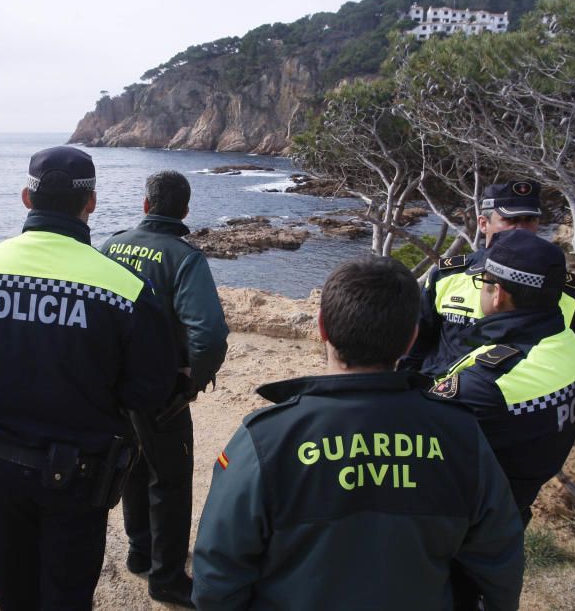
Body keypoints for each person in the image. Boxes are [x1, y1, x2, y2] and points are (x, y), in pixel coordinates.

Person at [192, 256, 524, 611]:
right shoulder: (461, 436)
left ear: (322, 328)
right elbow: (499, 560)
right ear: (412, 338)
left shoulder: (265, 441)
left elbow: (218, 574)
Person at [0, 146, 176, 610]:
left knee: (14, 591)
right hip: (80, 475)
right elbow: (148, 389)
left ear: (27, 197)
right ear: (92, 203)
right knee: (66, 596)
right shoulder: (124, 288)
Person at [101, 170, 229, 608]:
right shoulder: (183, 257)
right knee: (170, 481)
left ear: (145, 205)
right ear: (185, 210)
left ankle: (140, 553)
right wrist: (193, 381)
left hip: (116, 384)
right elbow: (208, 334)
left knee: (134, 465)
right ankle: (167, 577)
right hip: (161, 390)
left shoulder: (112, 244)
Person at [431, 229, 575, 526]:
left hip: (468, 523)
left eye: (483, 282)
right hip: (515, 504)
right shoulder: (569, 348)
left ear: (499, 293)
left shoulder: (487, 382)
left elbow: (418, 446)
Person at [401, 180, 575, 379]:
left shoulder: (562, 288)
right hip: (442, 396)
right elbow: (417, 343)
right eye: (510, 220)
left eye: (530, 219)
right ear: (483, 224)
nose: (522, 229)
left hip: (519, 399)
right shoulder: (447, 277)